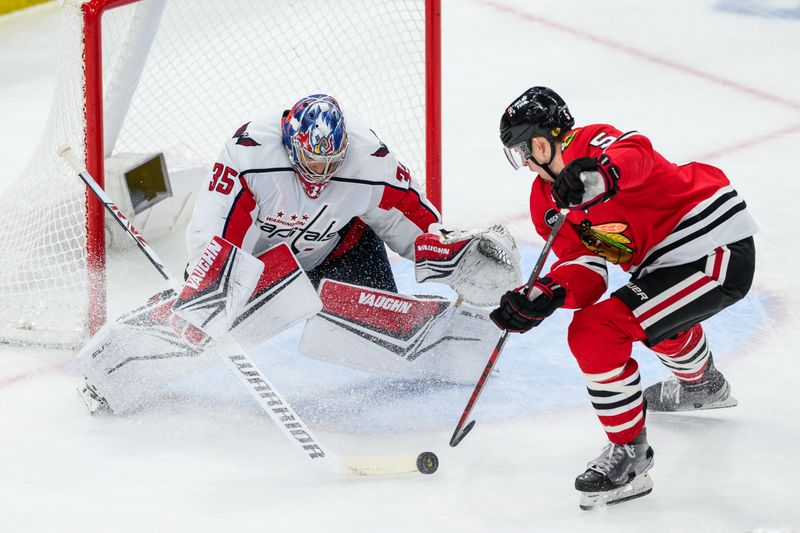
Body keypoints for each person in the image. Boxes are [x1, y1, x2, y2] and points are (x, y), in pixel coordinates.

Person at [490, 86, 757, 509]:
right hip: (660, 265)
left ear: (546, 139)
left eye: (526, 148)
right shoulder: (544, 200)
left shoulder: (591, 145)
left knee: (596, 331)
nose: (524, 162)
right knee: (649, 318)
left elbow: (638, 154)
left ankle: (630, 455)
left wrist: (600, 176)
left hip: (710, 244)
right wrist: (549, 292)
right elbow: (587, 269)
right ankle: (702, 384)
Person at [186, 93, 440, 292]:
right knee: (214, 285)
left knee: (386, 335)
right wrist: (207, 286)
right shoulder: (250, 155)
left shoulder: (372, 160)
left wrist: (447, 254)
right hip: (258, 271)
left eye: (332, 161)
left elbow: (413, 221)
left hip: (339, 253)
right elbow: (215, 223)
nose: (321, 171)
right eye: (312, 160)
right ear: (290, 143)